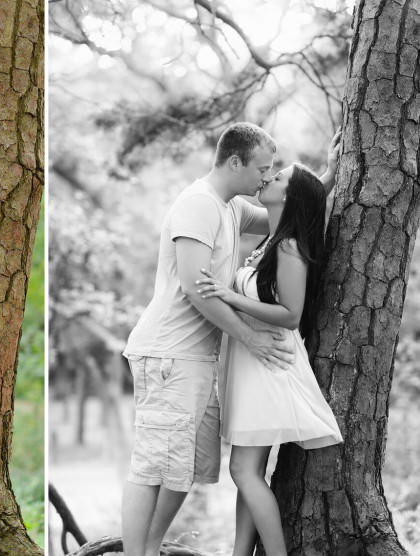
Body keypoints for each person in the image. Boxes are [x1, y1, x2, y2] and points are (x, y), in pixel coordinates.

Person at [118, 122, 296, 556]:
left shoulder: (231, 206)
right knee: (152, 467)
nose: (266, 178)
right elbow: (198, 290)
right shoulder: (198, 205)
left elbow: (285, 208)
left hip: (197, 358)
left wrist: (326, 175)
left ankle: (151, 548)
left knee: (185, 468)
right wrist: (249, 337)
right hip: (168, 354)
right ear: (234, 161)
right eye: (261, 169)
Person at [194, 141, 343, 556]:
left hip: (268, 365)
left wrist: (230, 296)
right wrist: (328, 175)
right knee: (249, 470)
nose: (268, 177)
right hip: (250, 363)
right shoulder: (271, 239)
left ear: (287, 195)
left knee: (242, 469)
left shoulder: (291, 246)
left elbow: (291, 314)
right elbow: (308, 195)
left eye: (277, 177)